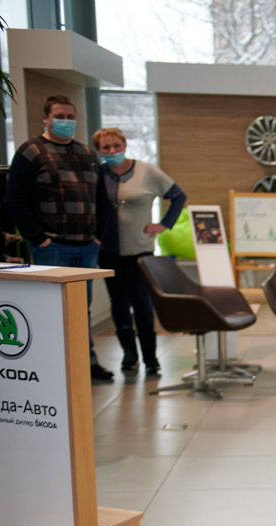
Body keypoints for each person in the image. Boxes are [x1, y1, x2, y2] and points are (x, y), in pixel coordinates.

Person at [6, 95, 113, 381]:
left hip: (87, 246)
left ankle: (85, 361)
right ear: (46, 118)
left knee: (81, 308)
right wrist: (38, 238)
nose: (66, 122)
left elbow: (101, 198)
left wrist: (99, 237)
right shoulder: (31, 151)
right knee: (50, 309)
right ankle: (51, 366)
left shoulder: (87, 153)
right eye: (59, 116)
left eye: (70, 117)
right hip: (51, 246)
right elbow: (16, 199)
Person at [93, 127, 187, 375]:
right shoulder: (98, 174)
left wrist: (164, 224)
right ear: (99, 150)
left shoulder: (146, 171)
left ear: (124, 145)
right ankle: (129, 355)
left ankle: (150, 358)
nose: (112, 151)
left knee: (141, 301)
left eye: (116, 145)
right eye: (106, 147)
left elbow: (178, 196)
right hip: (108, 250)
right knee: (118, 302)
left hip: (140, 251)